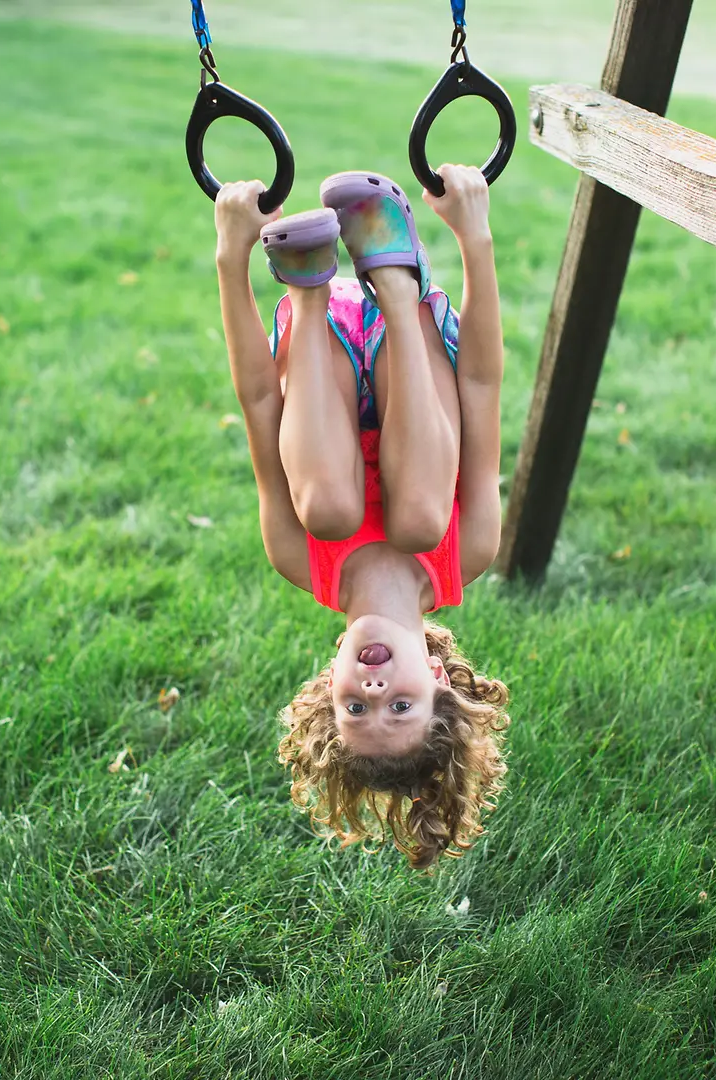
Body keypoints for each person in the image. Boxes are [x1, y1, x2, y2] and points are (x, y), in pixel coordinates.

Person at [212, 166, 511, 869]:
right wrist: (475, 237)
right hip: (411, 338)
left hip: (327, 341)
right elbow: (482, 386)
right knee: (416, 525)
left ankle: (305, 280)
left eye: (356, 711)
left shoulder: (297, 558)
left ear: (330, 685)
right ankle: (398, 277)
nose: (375, 695)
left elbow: (260, 405)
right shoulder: (468, 552)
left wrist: (230, 262)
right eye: (399, 709)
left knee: (332, 511)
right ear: (437, 680)